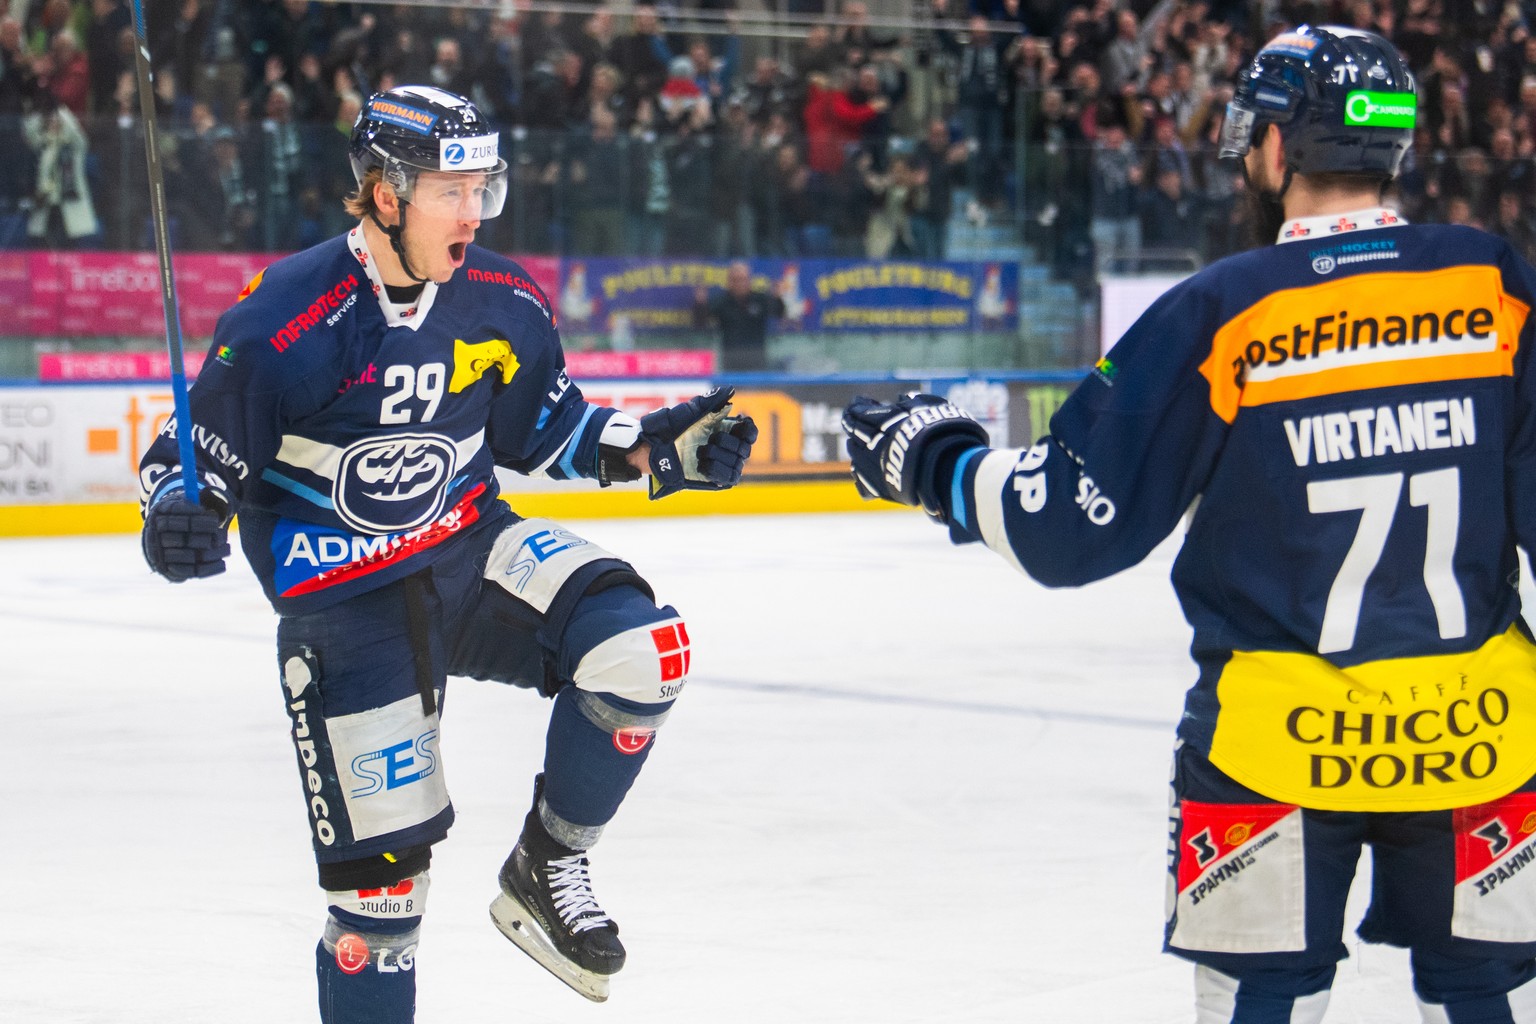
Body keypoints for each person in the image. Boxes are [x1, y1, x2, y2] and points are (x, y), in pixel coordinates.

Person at [843, 26, 1536, 1022]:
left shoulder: (1224, 310)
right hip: (1484, 740)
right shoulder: (1496, 285)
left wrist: (934, 459)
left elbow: (1066, 526)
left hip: (1272, 748)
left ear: (1276, 149)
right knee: (1487, 998)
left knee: (1265, 999)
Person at [136, 85, 757, 1023]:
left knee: (644, 650)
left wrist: (656, 446)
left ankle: (549, 865)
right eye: (451, 191)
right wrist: (178, 511)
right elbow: (186, 463)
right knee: (379, 912)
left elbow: (547, 428)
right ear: (385, 196)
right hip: (347, 604)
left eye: (484, 189)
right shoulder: (288, 319)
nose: (475, 213)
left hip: (472, 552)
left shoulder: (503, 300)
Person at [693, 260, 786, 372]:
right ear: (729, 282)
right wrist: (700, 304)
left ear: (749, 280)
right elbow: (700, 322)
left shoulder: (760, 299)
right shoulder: (721, 302)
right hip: (731, 359)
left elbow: (779, 313)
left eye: (743, 279)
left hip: (757, 359)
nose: (740, 284)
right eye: (736, 280)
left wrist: (778, 298)